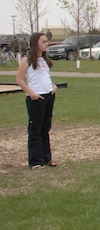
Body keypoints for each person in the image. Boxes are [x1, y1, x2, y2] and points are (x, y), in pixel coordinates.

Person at [16, 32, 57, 170]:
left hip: (48, 97)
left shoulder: (44, 60)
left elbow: (44, 77)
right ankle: (36, 161)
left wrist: (53, 86)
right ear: (35, 44)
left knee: (45, 129)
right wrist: (32, 94)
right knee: (35, 129)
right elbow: (19, 80)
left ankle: (47, 158)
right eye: (43, 42)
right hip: (36, 99)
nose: (46, 44)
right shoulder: (27, 60)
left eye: (47, 42)